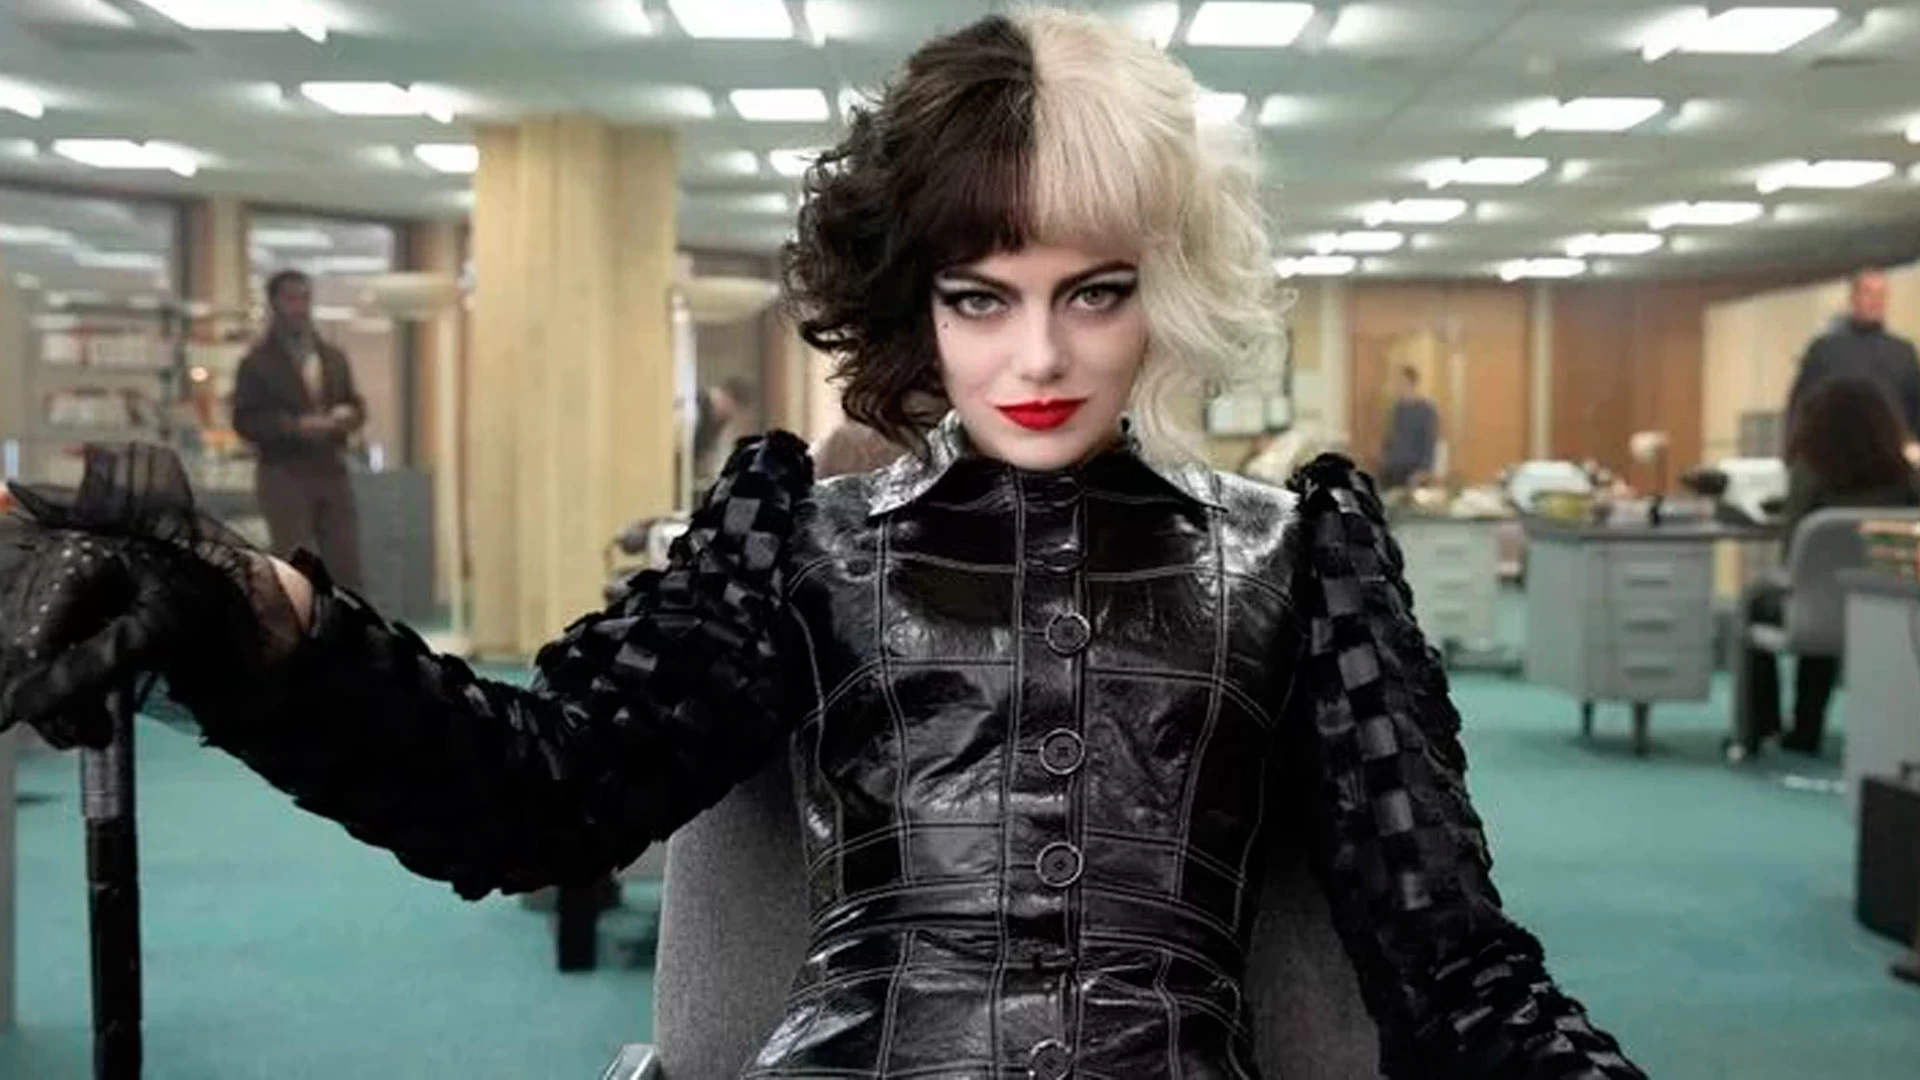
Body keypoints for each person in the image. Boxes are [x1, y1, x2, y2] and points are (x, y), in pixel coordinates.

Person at [0, 10, 1643, 1077]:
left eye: (1093, 291)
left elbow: (1453, 968)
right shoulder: (805, 533)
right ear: (918, 301)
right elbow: (539, 791)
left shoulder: (1302, 550)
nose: (1039, 354)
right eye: (983, 295)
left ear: (1171, 291)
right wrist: (248, 610)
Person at [1741, 376, 1920, 755]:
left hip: (1817, 611)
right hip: (1889, 610)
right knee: (1822, 600)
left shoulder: (1809, 472)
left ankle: (1762, 728)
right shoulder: (1906, 479)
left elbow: (1793, 552)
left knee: (1759, 600)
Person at [230, 269, 367, 592]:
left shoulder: (332, 357)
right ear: (274, 304)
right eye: (291, 299)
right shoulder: (257, 363)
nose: (300, 307)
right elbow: (245, 421)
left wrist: (348, 416)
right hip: (284, 473)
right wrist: (294, 427)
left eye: (305, 298)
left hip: (331, 470)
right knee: (296, 566)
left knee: (346, 565)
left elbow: (355, 404)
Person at [1785, 268, 1920, 456]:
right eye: (1868, 292)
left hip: (1889, 457)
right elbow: (1800, 407)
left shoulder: (1903, 352)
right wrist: (1792, 454)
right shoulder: (1824, 351)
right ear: (1853, 298)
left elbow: (1916, 408)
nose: (1875, 301)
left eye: (1881, 294)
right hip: (1835, 455)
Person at [1379, 365, 1439, 489]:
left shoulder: (1426, 410)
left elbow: (1430, 443)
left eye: (1402, 383)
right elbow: (1390, 438)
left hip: (1414, 472)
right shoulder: (1396, 409)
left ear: (1412, 384)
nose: (1398, 387)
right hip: (1392, 469)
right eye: (1397, 383)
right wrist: (1384, 456)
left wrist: (1423, 472)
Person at [691, 377, 755, 478]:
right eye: (733, 409)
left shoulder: (719, 421)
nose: (732, 416)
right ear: (728, 398)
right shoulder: (695, 405)